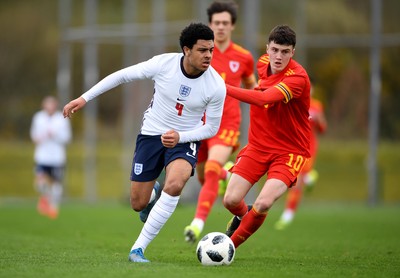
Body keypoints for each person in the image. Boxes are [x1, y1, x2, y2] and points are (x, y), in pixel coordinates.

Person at [63, 23, 226, 263]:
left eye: (211, 50)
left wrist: (181, 137)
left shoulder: (216, 85)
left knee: (176, 183)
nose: (209, 55)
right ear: (186, 50)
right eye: (202, 50)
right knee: (138, 203)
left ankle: (138, 249)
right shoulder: (163, 64)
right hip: (151, 134)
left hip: (185, 140)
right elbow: (122, 75)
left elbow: (211, 128)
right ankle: (154, 193)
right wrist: (84, 98)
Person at [222, 24, 312, 249]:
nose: (278, 56)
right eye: (274, 50)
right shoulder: (263, 64)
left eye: (284, 51)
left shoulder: (297, 78)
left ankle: (227, 248)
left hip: (289, 152)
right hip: (258, 146)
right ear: (267, 49)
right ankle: (244, 217)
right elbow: (259, 90)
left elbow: (264, 99)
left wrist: (222, 87)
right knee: (230, 200)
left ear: (293, 52)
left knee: (262, 203)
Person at [184, 0, 256, 243]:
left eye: (225, 23)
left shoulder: (244, 57)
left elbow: (252, 88)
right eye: (217, 23)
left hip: (227, 123)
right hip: (198, 123)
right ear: (210, 24)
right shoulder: (201, 53)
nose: (221, 27)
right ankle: (228, 175)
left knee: (212, 169)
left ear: (232, 26)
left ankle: (197, 224)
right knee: (205, 177)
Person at [275, 82, 327, 230]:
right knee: (295, 179)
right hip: (293, 147)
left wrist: (320, 121)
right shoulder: (293, 102)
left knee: (297, 181)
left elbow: (323, 129)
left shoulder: (317, 106)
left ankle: (287, 215)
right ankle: (310, 178)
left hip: (309, 148)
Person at [30, 95, 72, 219]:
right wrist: (40, 137)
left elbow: (67, 138)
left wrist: (55, 135)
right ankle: (46, 199)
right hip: (42, 156)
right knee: (40, 182)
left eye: (52, 105)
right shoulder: (38, 117)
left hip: (57, 157)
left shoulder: (61, 118)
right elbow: (34, 135)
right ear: (44, 106)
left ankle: (54, 206)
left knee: (56, 184)